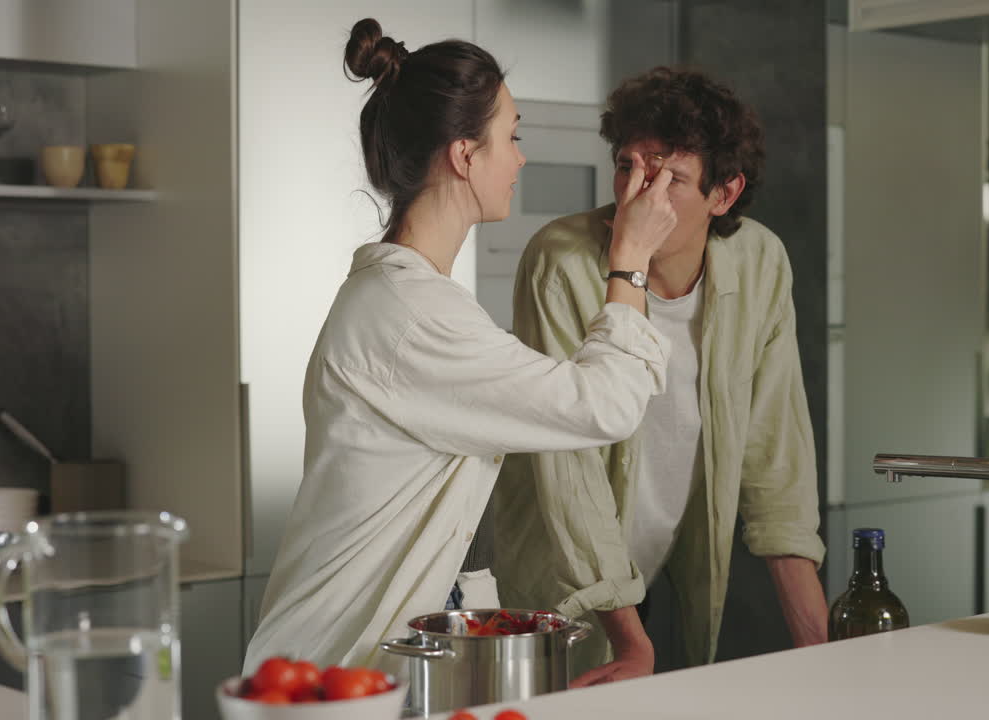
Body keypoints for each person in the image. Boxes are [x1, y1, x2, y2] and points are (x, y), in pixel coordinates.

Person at [242, 19, 679, 672]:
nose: (521, 158)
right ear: (464, 154)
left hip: (344, 667)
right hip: (325, 676)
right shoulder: (412, 316)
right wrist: (632, 259)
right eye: (513, 135)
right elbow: (603, 407)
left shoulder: (406, 298)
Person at [492, 67, 827, 686]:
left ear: (724, 195)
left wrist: (824, 650)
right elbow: (570, 470)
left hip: (644, 572)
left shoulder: (758, 261)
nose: (639, 193)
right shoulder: (563, 261)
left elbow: (774, 447)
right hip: (554, 580)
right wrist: (630, 640)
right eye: (629, 166)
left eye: (671, 176)